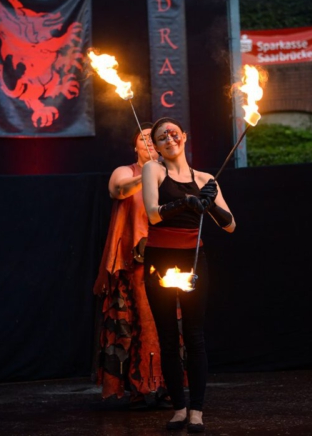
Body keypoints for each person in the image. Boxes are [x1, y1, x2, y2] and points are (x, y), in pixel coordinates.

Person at [142, 117, 236, 433]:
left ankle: (196, 412)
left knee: (194, 335)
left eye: (173, 133)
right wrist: (185, 201)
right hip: (159, 261)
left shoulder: (207, 178)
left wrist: (209, 204)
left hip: (194, 259)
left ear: (185, 137)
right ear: (155, 146)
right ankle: (179, 409)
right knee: (169, 337)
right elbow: (153, 214)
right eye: (161, 137)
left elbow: (231, 225)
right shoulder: (153, 170)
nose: (169, 138)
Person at [92, 122, 172, 409]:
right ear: (135, 146)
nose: (150, 142)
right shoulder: (127, 172)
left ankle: (166, 386)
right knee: (138, 323)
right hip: (133, 263)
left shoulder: (170, 174)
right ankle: (139, 387)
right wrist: (149, 174)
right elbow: (119, 190)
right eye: (144, 138)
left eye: (155, 138)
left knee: (169, 323)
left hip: (167, 260)